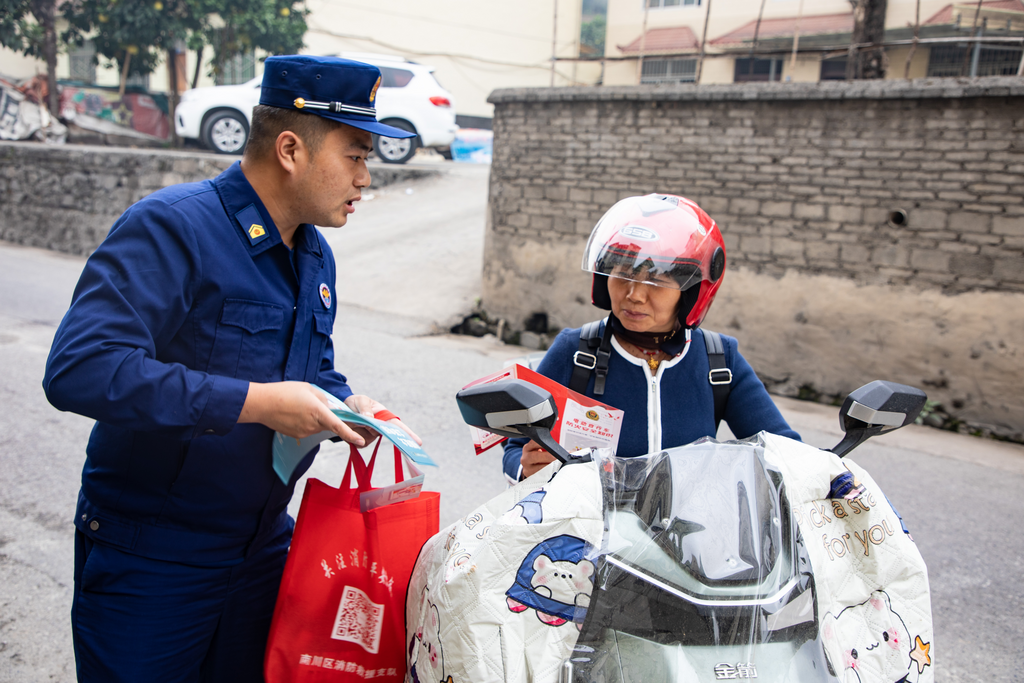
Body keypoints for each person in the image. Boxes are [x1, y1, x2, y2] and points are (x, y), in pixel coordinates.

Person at [42, 55, 420, 682]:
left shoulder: (313, 255)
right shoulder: (173, 227)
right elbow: (80, 367)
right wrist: (256, 403)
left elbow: (309, 368)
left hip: (262, 553)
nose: (365, 178)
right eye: (355, 156)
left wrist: (348, 406)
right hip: (153, 558)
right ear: (292, 148)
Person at [503, 193, 800, 483]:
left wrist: (831, 476)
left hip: (692, 531)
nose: (634, 296)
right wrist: (525, 467)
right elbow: (515, 445)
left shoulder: (719, 361)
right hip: (592, 529)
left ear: (691, 292)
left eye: (656, 282)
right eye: (622, 275)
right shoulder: (575, 352)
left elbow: (784, 449)